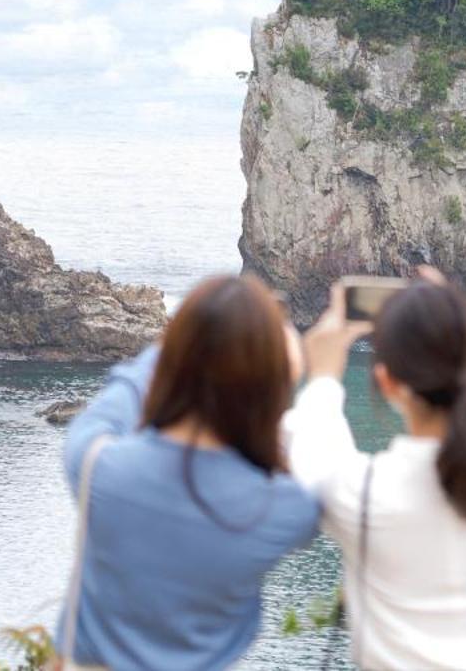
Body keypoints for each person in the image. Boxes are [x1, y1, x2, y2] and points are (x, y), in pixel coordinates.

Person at [284, 274, 466, 671]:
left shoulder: (364, 497)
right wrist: (447, 328)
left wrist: (324, 374)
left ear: (387, 382)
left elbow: (311, 448)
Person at [59, 273, 319, 671]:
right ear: (274, 382)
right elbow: (320, 468)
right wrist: (307, 378)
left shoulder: (98, 468)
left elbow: (122, 394)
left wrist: (188, 342)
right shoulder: (283, 510)